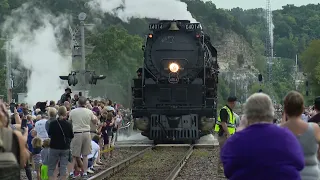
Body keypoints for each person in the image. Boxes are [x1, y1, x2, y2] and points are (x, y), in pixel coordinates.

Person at [221, 93, 304, 180]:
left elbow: (228, 170)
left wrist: (239, 131)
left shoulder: (235, 142)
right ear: (271, 112)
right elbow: (300, 164)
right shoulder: (287, 136)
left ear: (247, 115)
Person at [281, 91, 320, 179]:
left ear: (285, 109)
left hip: (288, 175)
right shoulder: (314, 128)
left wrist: (283, 116)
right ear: (302, 108)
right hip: (312, 174)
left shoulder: (279, 131)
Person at [68, 97, 98, 178]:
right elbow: (95, 121)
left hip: (76, 133)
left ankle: (71, 173)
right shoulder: (89, 111)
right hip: (86, 133)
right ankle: (84, 173)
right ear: (85, 103)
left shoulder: (72, 112)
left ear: (78, 103)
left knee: (74, 155)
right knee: (85, 155)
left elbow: (69, 122)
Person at [48, 106, 74, 180]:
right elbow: (71, 136)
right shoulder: (68, 124)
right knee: (63, 167)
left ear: (58, 113)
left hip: (54, 146)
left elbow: (49, 134)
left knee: (51, 167)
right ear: (66, 113)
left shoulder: (52, 123)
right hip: (65, 147)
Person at [214, 96, 237, 172]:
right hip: (224, 134)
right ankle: (220, 168)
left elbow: (231, 124)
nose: (235, 104)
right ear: (232, 102)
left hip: (228, 135)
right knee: (224, 150)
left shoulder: (230, 111)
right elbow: (223, 123)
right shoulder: (224, 110)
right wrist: (228, 134)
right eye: (235, 102)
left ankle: (226, 166)